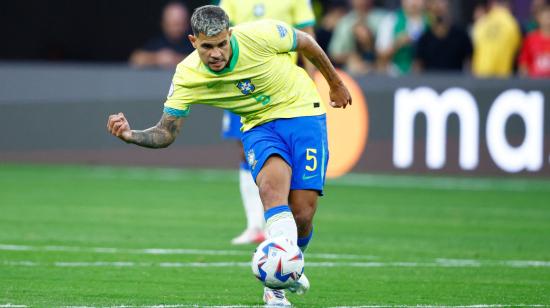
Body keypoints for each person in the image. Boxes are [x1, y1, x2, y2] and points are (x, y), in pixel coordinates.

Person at [107, 5, 351, 306]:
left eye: (222, 44)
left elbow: (306, 42)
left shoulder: (259, 35)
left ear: (230, 35)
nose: (216, 53)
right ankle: (275, 285)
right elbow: (166, 132)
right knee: (271, 189)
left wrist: (335, 83)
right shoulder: (187, 75)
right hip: (258, 126)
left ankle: (291, 263)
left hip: (303, 113)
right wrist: (131, 136)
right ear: (193, 41)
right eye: (207, 47)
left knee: (302, 214)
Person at [217, 0, 318, 245]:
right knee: (244, 150)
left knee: (285, 156)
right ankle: (254, 225)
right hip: (243, 83)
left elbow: (307, 37)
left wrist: (313, 81)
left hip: (282, 85)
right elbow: (219, 36)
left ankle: (281, 223)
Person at [328, 0, 388, 74]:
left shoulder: (384, 18)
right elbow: (334, 53)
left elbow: (387, 51)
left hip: (382, 71)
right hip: (353, 73)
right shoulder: (345, 22)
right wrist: (350, 58)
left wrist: (370, 41)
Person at [129, 2, 194, 69]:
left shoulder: (194, 42)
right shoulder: (157, 42)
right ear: (163, 23)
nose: (176, 28)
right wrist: (157, 58)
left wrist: (175, 59)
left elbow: (202, 61)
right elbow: (135, 59)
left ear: (187, 24)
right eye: (172, 24)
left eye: (179, 24)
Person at [414, 0, 472, 72]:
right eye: (434, 3)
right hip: (430, 82)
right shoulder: (424, 39)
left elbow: (469, 64)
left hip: (456, 82)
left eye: (441, 2)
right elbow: (418, 67)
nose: (438, 6)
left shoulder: (461, 36)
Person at [375, 0, 428, 75]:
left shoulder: (431, 22)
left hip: (427, 76)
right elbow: (380, 57)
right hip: (395, 75)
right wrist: (397, 44)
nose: (414, 3)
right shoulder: (391, 20)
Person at [471, 0, 521, 78]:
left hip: (480, 73)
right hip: (502, 76)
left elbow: (474, 44)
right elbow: (516, 48)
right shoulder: (512, 23)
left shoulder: (482, 21)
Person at [518, 4, 550, 78]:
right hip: (535, 81)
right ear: (538, 18)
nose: (548, 20)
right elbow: (523, 63)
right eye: (545, 17)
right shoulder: (530, 38)